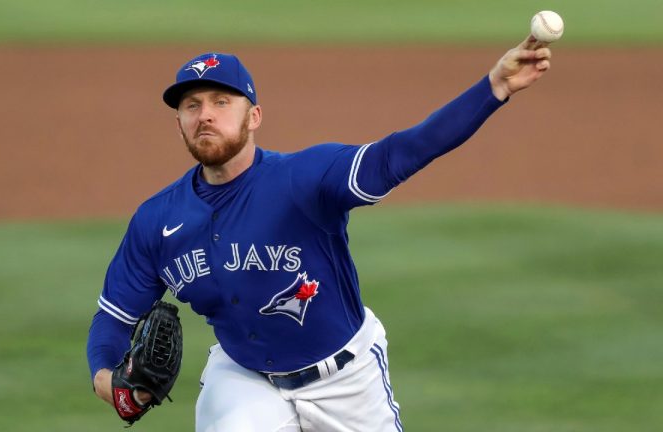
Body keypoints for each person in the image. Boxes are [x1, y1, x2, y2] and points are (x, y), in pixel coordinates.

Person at [87, 35, 553, 431]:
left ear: (254, 117)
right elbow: (113, 318)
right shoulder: (156, 220)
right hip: (244, 381)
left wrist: (494, 87)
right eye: (193, 105)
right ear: (179, 123)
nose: (205, 114)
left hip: (348, 382)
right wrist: (107, 379)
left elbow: (402, 152)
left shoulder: (304, 178)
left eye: (221, 102)